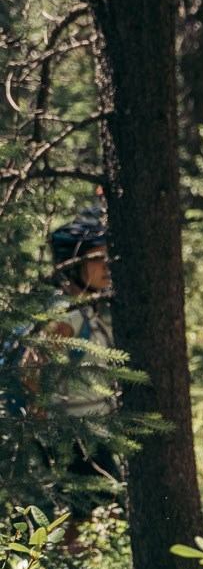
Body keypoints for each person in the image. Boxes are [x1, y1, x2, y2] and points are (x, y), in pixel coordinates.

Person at [37, 209, 120, 522]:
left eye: (106, 256)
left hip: (90, 430)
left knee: (94, 514)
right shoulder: (67, 315)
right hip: (72, 435)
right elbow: (33, 368)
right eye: (95, 258)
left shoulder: (86, 308)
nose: (106, 265)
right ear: (72, 264)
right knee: (80, 518)